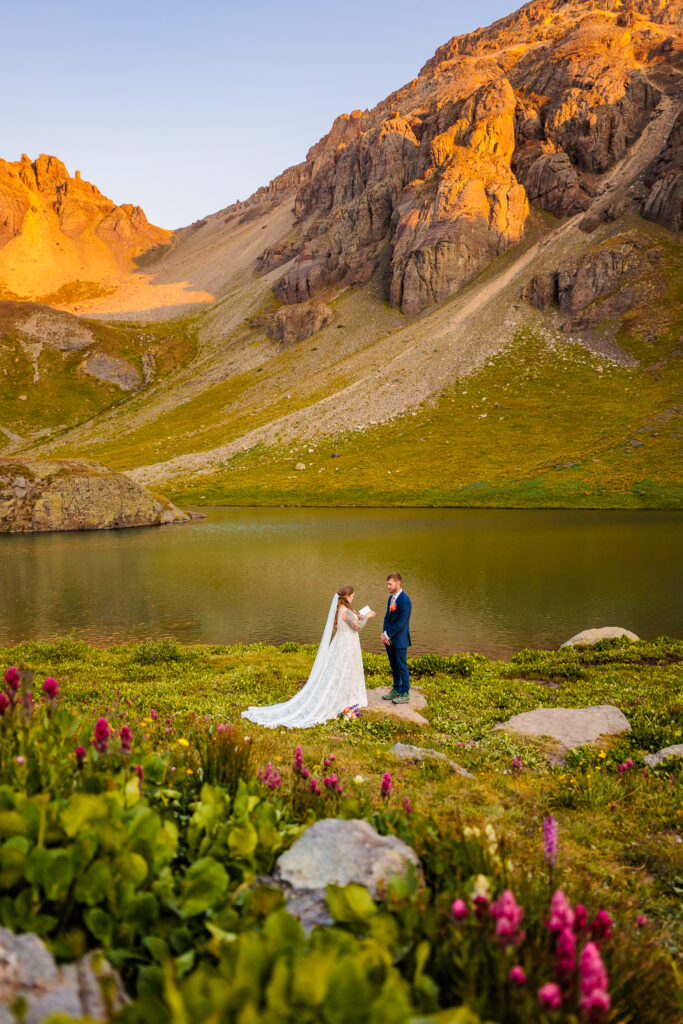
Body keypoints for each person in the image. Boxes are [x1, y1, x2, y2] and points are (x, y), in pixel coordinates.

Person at [242, 586, 376, 728]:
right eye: (352, 595)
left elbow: (353, 622)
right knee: (344, 670)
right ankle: (344, 698)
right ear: (346, 596)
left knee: (343, 671)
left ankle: (348, 697)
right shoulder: (346, 612)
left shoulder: (343, 610)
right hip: (346, 645)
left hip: (344, 643)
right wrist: (367, 616)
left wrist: (360, 616)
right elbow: (358, 627)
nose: (353, 598)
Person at [381, 571, 412, 704]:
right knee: (393, 665)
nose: (388, 586)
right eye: (387, 584)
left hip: (399, 640)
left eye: (390, 584)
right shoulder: (391, 598)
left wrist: (387, 634)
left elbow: (402, 622)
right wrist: (384, 634)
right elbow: (387, 618)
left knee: (401, 665)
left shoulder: (405, 600)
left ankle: (405, 692)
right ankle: (396, 689)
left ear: (398, 584)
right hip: (389, 639)